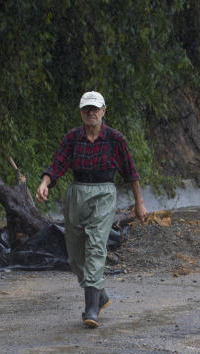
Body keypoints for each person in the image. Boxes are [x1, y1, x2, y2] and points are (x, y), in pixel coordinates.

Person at [35, 91, 148, 328]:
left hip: (104, 193)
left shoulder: (115, 139)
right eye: (87, 109)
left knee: (96, 246)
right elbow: (57, 164)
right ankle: (100, 294)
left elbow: (131, 173)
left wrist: (139, 203)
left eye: (95, 109)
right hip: (77, 193)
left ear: (103, 111)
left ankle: (91, 309)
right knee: (76, 257)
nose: (91, 113)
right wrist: (45, 183)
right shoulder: (72, 138)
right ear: (81, 112)